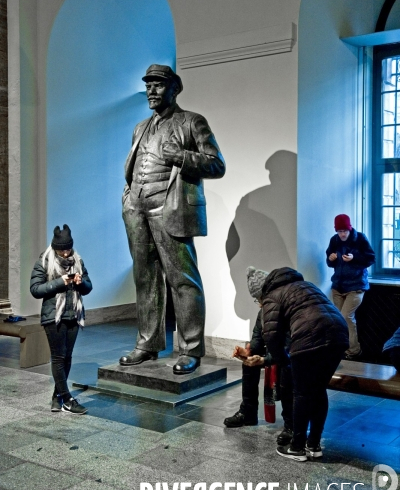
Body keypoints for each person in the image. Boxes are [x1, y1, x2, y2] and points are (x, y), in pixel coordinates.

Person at [120, 64, 225, 375]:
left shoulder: (191, 122)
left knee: (182, 280)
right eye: (148, 85)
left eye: (158, 85)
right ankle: (147, 343)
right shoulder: (140, 127)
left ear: (174, 88)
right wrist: (128, 198)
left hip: (171, 209)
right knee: (144, 279)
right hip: (137, 211)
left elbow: (217, 165)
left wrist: (180, 156)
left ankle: (191, 348)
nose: (151, 91)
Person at [262, 267, 349, 462]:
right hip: (339, 334)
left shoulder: (273, 296)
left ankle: (297, 447)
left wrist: (283, 361)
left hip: (309, 337)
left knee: (301, 392)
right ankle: (314, 444)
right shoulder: (307, 286)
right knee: (318, 390)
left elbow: (270, 335)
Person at [223, 267, 293, 447]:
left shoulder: (286, 309)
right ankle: (248, 411)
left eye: (259, 299)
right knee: (249, 362)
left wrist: (265, 360)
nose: (259, 304)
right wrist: (248, 353)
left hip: (293, 354)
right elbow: (257, 338)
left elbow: (288, 348)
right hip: (278, 351)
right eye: (257, 300)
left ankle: (290, 424)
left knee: (287, 368)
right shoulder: (263, 312)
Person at [30, 224, 92, 415]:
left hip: (74, 314)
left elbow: (89, 287)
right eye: (62, 250)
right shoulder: (45, 261)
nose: (65, 253)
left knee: (67, 357)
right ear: (55, 247)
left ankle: (57, 396)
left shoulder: (78, 260)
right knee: (58, 357)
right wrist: (60, 282)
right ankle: (67, 399)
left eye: (68, 249)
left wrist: (81, 283)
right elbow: (35, 290)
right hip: (53, 317)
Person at [326, 214, 375, 360]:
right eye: (339, 231)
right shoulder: (334, 240)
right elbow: (329, 261)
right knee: (337, 320)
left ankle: (354, 350)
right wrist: (331, 259)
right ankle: (342, 349)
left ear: (350, 228)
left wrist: (355, 258)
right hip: (338, 286)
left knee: (346, 316)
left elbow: (371, 258)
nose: (342, 234)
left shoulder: (360, 239)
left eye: (344, 231)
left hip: (356, 285)